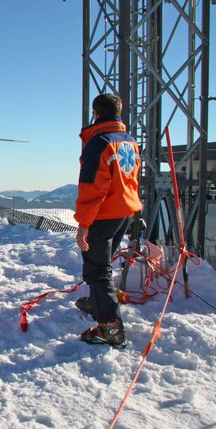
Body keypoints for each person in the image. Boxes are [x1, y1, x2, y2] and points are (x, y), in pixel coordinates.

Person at [74, 94, 142, 347]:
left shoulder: (98, 143)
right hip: (125, 211)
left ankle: (111, 329)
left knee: (97, 269)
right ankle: (97, 303)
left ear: (95, 113)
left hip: (104, 214)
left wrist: (83, 224)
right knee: (101, 265)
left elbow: (92, 188)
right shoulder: (130, 142)